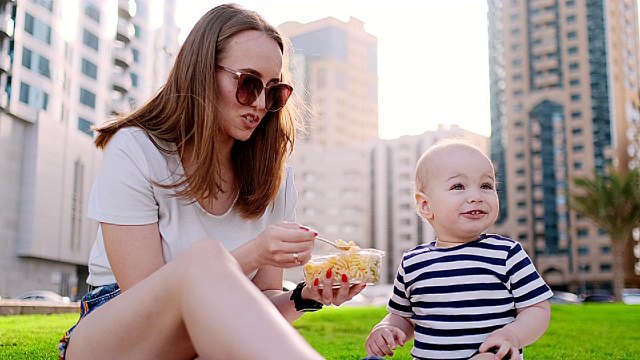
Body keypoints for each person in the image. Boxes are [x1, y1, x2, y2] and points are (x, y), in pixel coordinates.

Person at [58, 4, 365, 359]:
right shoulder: (136, 149)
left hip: (203, 340)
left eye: (274, 91)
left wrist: (304, 297)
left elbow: (259, 305)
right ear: (202, 73)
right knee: (204, 259)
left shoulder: (276, 181)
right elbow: (154, 301)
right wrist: (255, 252)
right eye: (248, 84)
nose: (262, 104)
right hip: (117, 335)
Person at [364, 138, 553, 360]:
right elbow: (403, 317)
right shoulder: (412, 262)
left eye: (486, 186)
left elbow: (537, 309)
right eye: (458, 186)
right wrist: (386, 329)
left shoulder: (506, 254)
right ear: (426, 205)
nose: (476, 196)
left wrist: (511, 336)